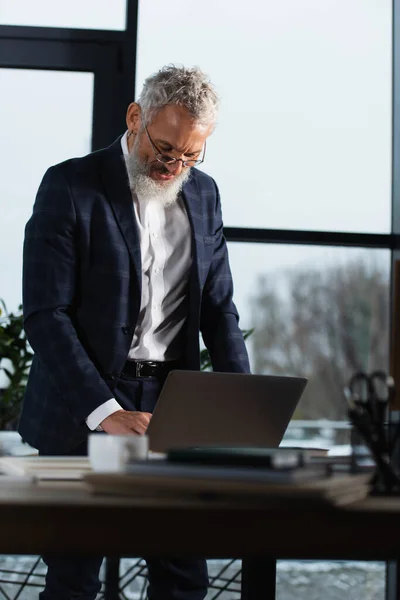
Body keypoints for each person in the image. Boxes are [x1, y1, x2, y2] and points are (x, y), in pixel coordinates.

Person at [19, 64, 250, 600]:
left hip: (174, 404)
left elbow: (218, 309)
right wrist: (105, 411)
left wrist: (240, 403)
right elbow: (45, 315)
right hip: (86, 404)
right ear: (134, 117)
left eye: (191, 155)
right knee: (74, 579)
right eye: (165, 148)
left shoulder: (205, 195)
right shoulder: (69, 185)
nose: (175, 166)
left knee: (184, 576)